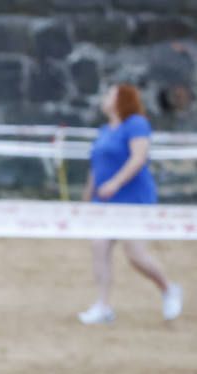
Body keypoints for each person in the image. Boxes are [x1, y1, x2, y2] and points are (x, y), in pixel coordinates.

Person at [78, 83, 183, 324]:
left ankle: (168, 288)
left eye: (110, 94)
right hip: (104, 202)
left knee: (135, 255)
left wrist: (116, 182)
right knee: (99, 247)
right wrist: (88, 195)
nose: (104, 98)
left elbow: (139, 158)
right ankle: (103, 306)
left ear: (121, 99)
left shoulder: (136, 124)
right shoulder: (104, 130)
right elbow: (96, 168)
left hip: (133, 200)